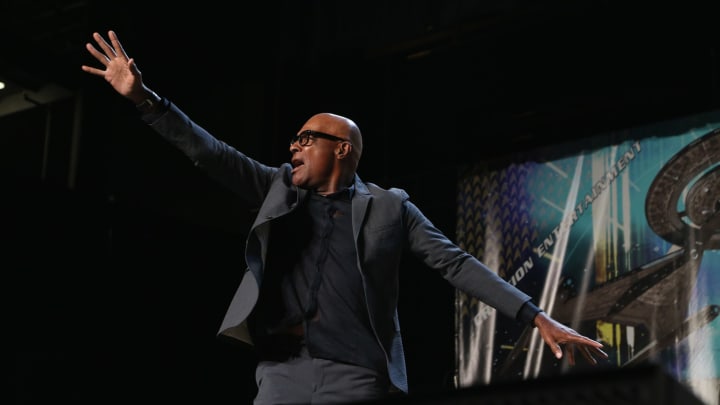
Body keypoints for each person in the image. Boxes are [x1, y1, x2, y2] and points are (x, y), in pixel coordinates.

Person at [81, 30, 608, 404]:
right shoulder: (275, 189)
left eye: (307, 139)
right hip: (281, 375)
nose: (294, 146)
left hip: (357, 377)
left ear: (344, 150)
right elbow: (210, 153)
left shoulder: (389, 206)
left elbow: (456, 263)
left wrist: (536, 316)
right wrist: (146, 100)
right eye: (294, 138)